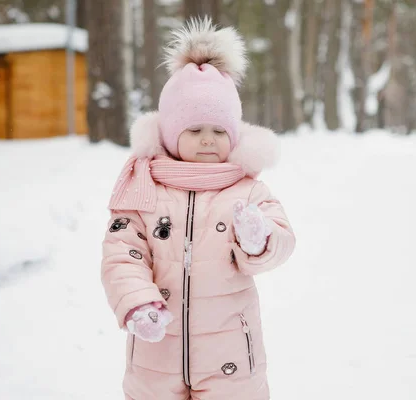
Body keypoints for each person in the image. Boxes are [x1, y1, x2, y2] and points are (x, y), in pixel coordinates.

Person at [101, 17, 296, 400]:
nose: (208, 141)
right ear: (172, 133)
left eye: (219, 131)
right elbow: (122, 253)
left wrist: (260, 239)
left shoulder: (246, 189)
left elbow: (283, 239)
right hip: (156, 355)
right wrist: (138, 302)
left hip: (231, 359)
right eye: (194, 130)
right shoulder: (144, 188)